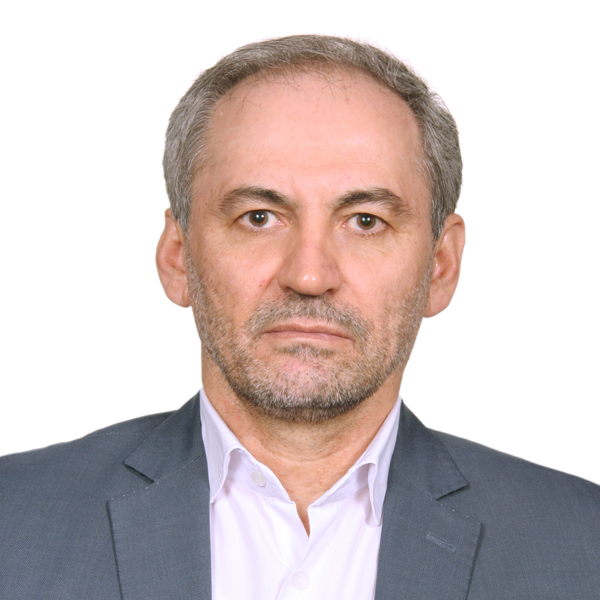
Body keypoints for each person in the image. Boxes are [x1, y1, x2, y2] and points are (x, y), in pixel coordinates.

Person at [1, 34, 598, 600]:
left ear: (440, 266)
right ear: (178, 256)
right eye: (259, 217)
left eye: (366, 221)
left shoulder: (583, 548)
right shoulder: (14, 524)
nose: (310, 276)